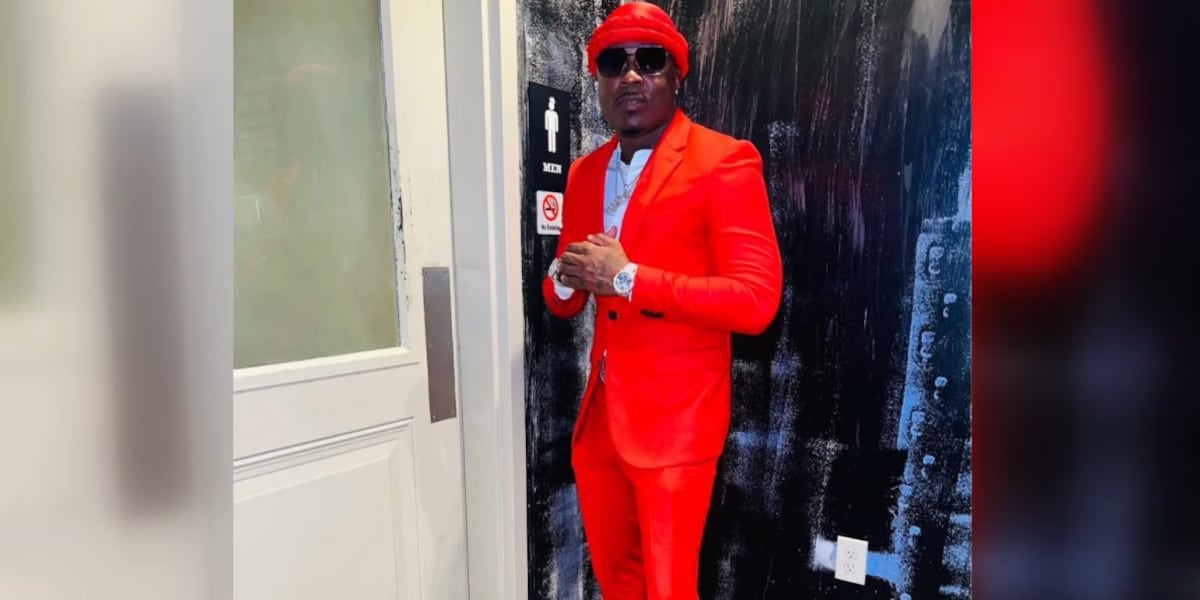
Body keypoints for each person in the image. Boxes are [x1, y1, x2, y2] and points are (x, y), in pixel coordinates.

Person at [542, 3, 784, 598]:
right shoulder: (584, 174)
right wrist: (567, 275)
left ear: (677, 76)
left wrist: (627, 278)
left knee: (670, 589)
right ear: (598, 79)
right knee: (616, 581)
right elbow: (562, 299)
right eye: (613, 63)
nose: (630, 76)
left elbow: (756, 300)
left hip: (677, 429)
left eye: (649, 61)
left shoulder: (723, 161)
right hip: (601, 423)